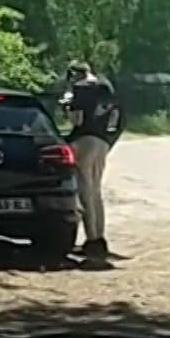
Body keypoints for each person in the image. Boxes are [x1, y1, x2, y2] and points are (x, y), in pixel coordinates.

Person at [60, 60, 123, 266]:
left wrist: (66, 107)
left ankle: (91, 240)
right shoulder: (106, 87)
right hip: (102, 140)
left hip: (83, 139)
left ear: (74, 74)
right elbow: (117, 118)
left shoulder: (80, 88)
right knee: (96, 193)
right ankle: (99, 237)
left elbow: (77, 120)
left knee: (84, 192)